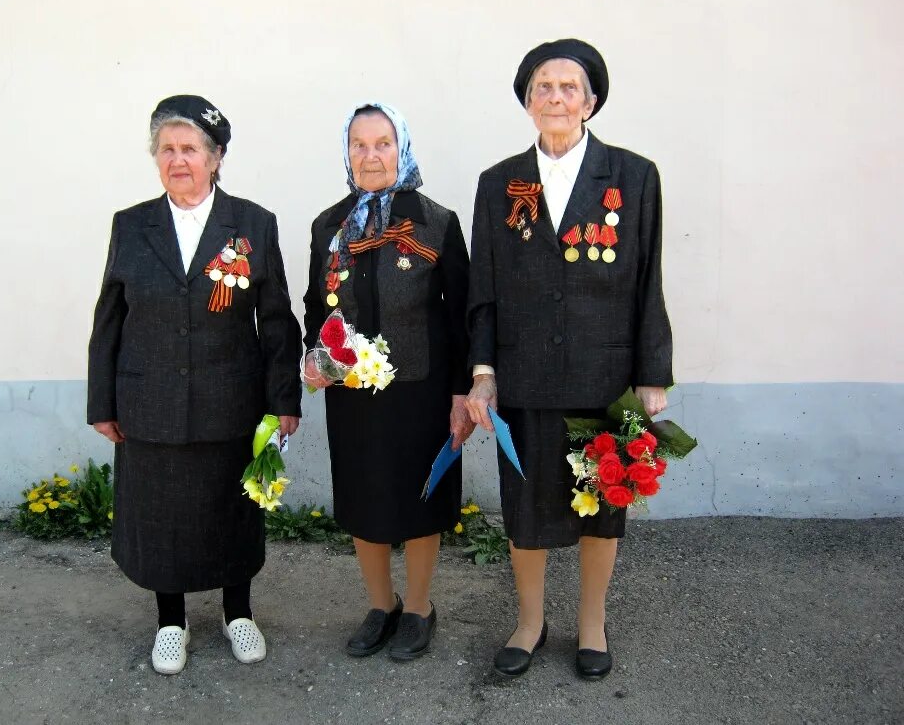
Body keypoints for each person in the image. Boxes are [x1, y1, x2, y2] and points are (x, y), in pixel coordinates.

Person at [465, 40, 673, 679]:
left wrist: (651, 371)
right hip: (525, 378)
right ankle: (530, 622)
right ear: (528, 102)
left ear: (590, 101)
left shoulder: (633, 176)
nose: (555, 97)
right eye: (543, 87)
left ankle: (591, 624)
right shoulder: (500, 183)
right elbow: (485, 286)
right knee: (526, 510)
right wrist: (482, 371)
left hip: (602, 377)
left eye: (569, 87)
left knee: (602, 502)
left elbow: (647, 278)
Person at [87, 95, 302, 675]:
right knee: (160, 518)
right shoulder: (132, 225)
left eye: (189, 149)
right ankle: (171, 622)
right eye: (167, 149)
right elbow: (109, 317)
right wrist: (101, 402)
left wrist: (284, 399)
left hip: (231, 401)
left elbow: (277, 319)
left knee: (231, 511)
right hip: (149, 401)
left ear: (216, 157)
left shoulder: (253, 223)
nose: (177, 160)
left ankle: (238, 612)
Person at [302, 102, 473, 660]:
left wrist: (460, 394)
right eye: (359, 145)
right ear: (346, 153)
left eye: (382, 143)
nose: (370, 155)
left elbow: (461, 314)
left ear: (402, 149)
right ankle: (381, 605)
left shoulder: (436, 221)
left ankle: (419, 608)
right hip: (352, 393)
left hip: (421, 391)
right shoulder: (329, 226)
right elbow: (315, 305)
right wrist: (316, 357)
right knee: (363, 498)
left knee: (421, 499)